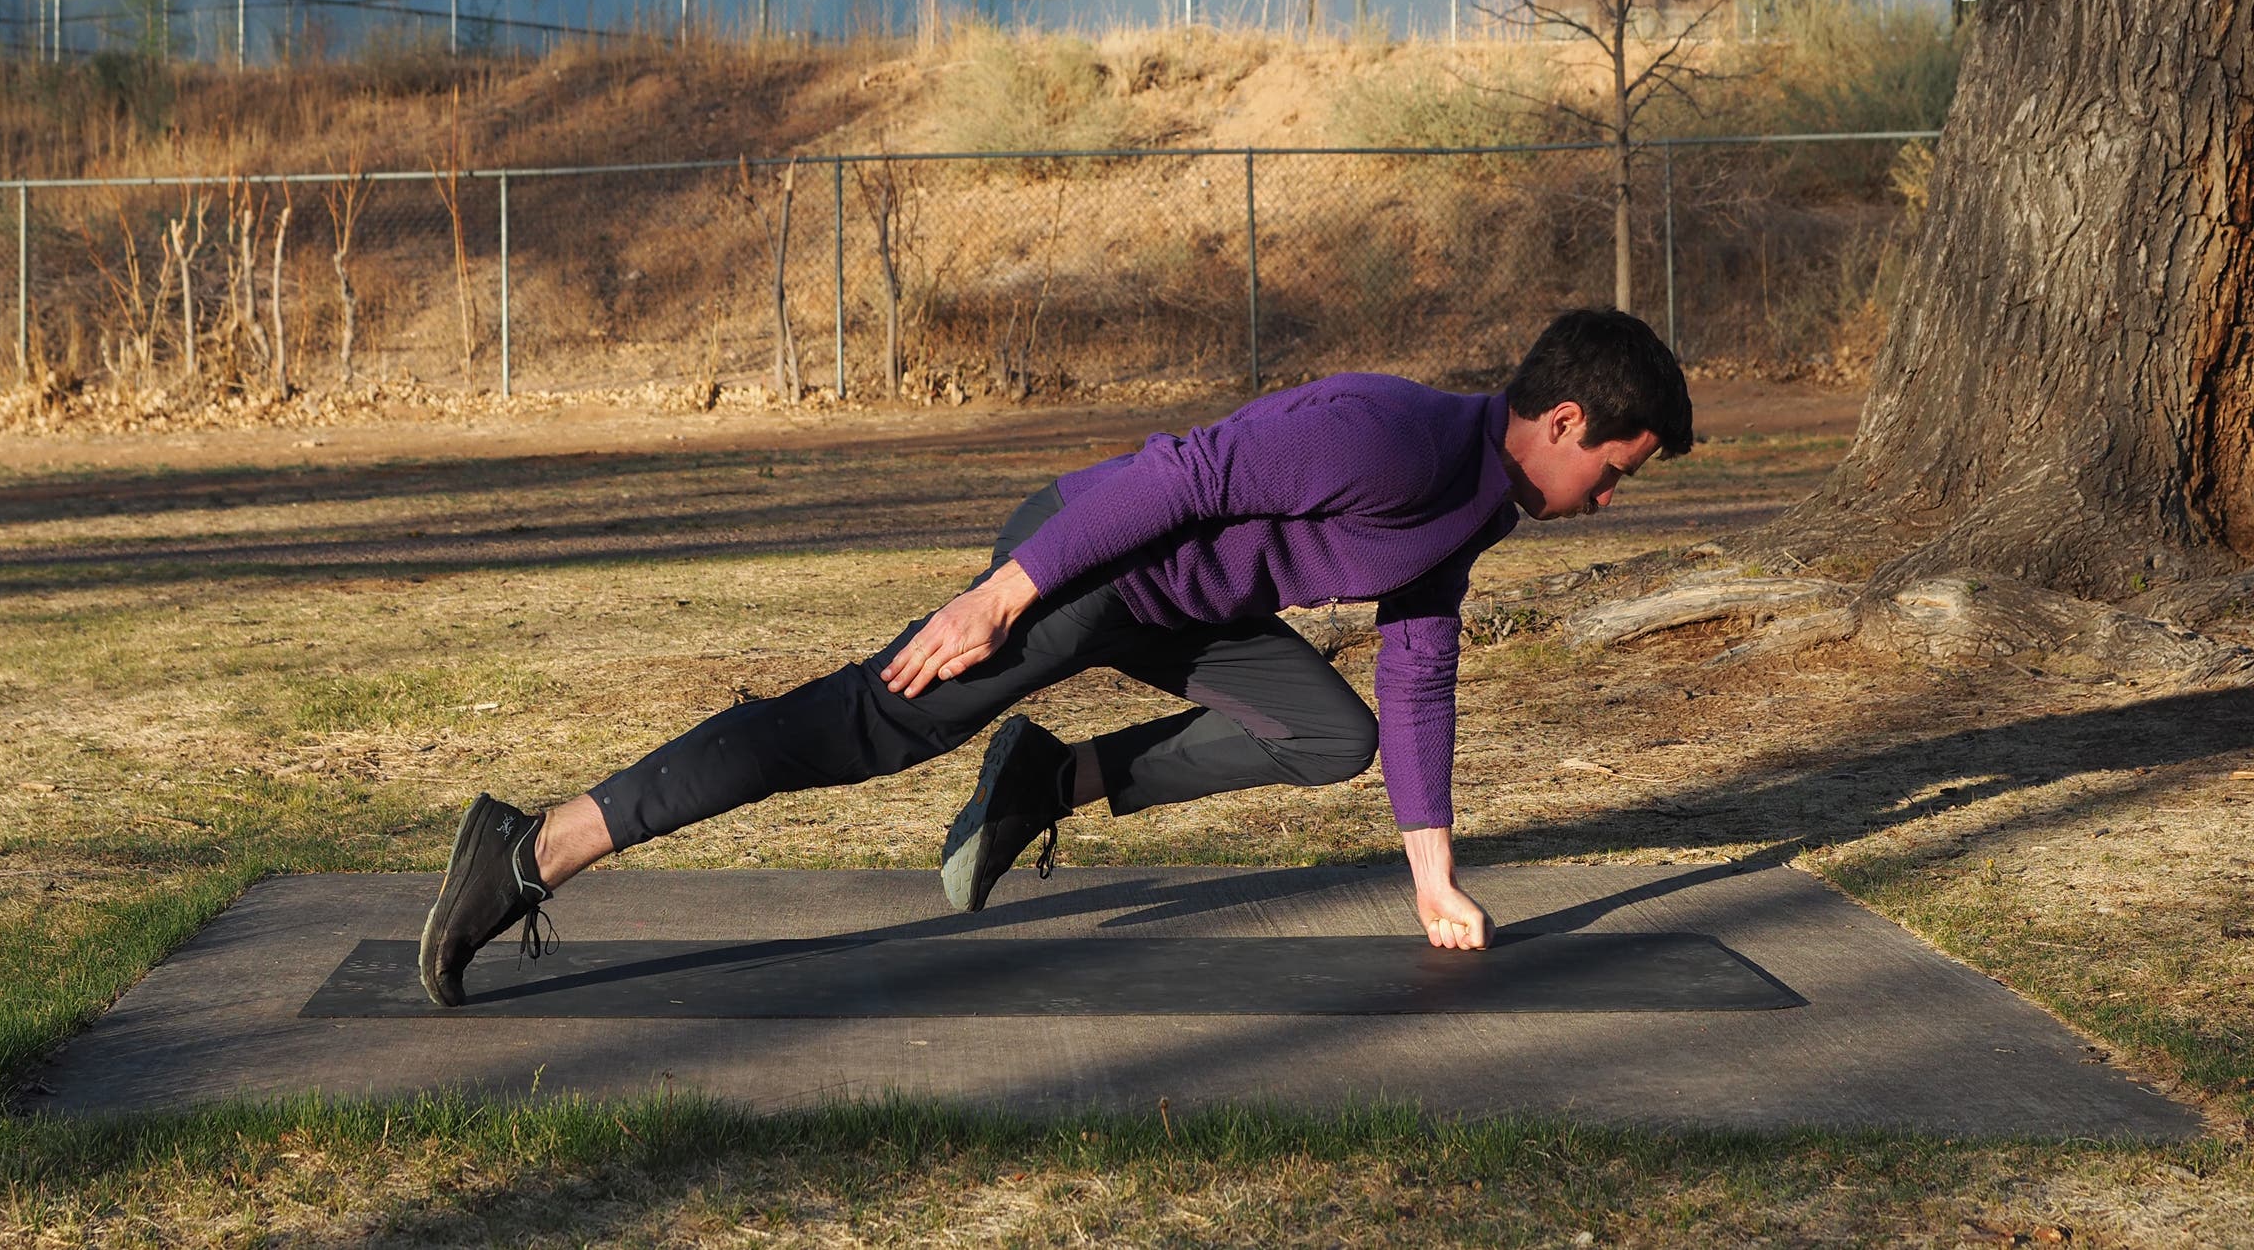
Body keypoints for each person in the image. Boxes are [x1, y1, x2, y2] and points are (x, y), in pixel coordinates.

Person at [419, 307, 1694, 1007]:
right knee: (874, 724)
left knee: (1330, 734)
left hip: (1186, 612)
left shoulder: (1475, 504)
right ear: (1565, 419)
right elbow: (1179, 475)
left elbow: (1417, 667)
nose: (1606, 500)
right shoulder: (1389, 432)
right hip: (1084, 569)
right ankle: (536, 846)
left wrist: (1433, 882)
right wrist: (1001, 596)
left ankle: (1043, 782)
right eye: (1615, 473)